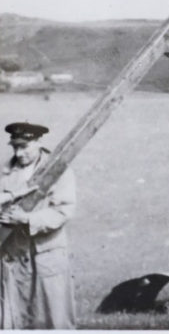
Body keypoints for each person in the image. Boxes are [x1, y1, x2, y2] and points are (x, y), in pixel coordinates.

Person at [0, 122, 76, 330]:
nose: (19, 152)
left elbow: (63, 211)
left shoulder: (58, 170)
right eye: (15, 147)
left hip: (47, 252)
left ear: (38, 143)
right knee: (15, 316)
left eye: (25, 146)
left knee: (54, 316)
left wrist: (26, 219)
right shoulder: (5, 171)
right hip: (13, 254)